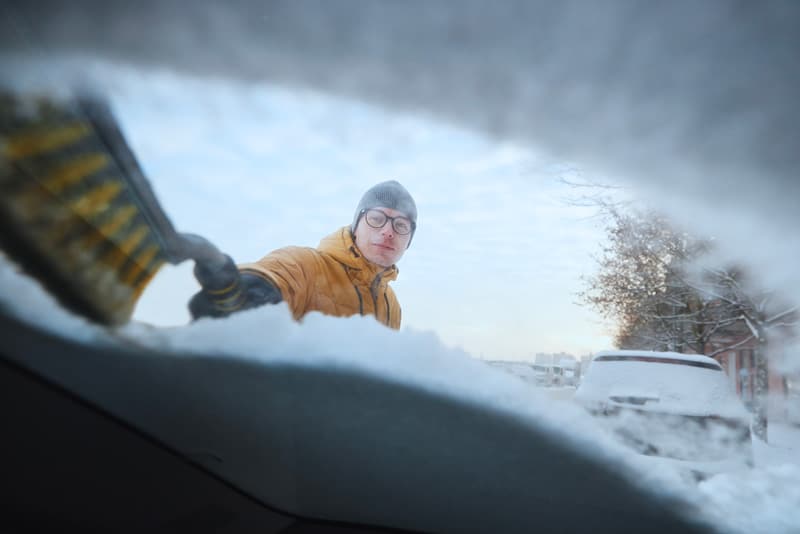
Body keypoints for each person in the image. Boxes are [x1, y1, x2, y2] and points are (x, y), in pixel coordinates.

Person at [189, 180, 417, 330]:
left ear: (408, 241)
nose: (388, 232)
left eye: (401, 225)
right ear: (356, 226)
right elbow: (276, 273)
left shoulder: (392, 305)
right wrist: (244, 292)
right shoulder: (306, 265)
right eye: (377, 219)